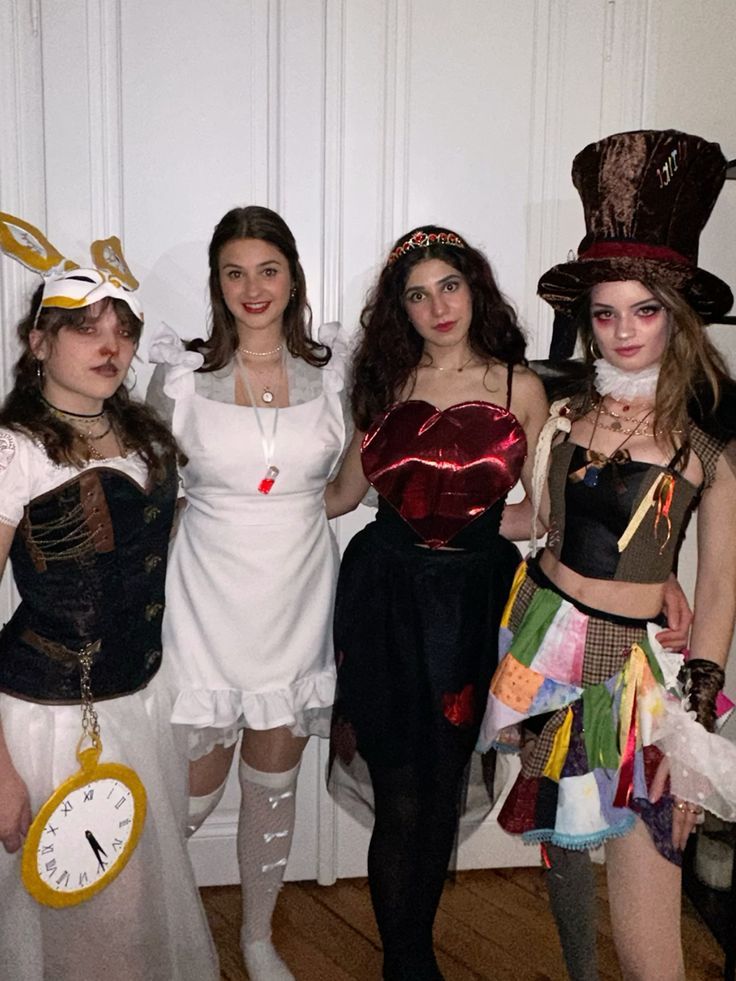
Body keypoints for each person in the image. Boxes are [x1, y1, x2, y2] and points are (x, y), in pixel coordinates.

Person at [481, 129, 736, 981]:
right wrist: (431, 504)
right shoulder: (564, 410)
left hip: (638, 680)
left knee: (650, 900)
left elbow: (723, 577)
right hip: (544, 643)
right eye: (605, 313)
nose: (623, 331)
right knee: (561, 840)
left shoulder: (708, 433)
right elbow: (542, 525)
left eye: (645, 309)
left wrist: (695, 711)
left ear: (677, 312)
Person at [324, 225, 549, 979]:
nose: (436, 305)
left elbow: (540, 515)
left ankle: (411, 952)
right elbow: (342, 498)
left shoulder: (520, 385)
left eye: (447, 285)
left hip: (472, 604)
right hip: (384, 596)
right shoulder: (384, 383)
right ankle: (408, 963)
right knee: (400, 793)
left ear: (474, 286)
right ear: (401, 309)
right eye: (417, 295)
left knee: (442, 781)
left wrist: (475, 523)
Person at [0, 213, 219, 980]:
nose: (110, 347)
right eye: (86, 328)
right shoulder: (15, 448)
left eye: (122, 330)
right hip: (47, 714)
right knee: (72, 907)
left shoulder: (142, 435)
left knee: (119, 903)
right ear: (38, 341)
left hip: (135, 700)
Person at [146, 205, 346, 981]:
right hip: (204, 605)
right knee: (187, 795)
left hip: (297, 599)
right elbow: (156, 500)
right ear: (216, 284)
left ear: (293, 276)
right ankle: (151, 921)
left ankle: (257, 937)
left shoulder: (333, 379)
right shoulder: (179, 381)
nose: (252, 287)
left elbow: (348, 489)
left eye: (267, 269)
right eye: (234, 272)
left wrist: (283, 508)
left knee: (273, 780)